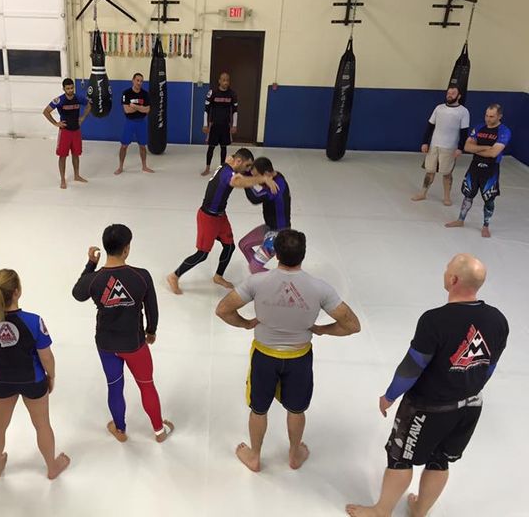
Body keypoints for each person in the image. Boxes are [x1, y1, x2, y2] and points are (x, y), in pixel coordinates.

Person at [346, 254, 508, 517]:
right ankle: (420, 509)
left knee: (400, 459)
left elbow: (412, 366)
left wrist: (389, 396)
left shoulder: (435, 320)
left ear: (453, 279)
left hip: (429, 407)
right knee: (440, 459)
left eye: (447, 268)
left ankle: (381, 511)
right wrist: (467, 388)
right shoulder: (498, 319)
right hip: (470, 407)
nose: (444, 271)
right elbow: (489, 366)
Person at [216, 229, 361, 472]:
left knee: (258, 409)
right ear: (303, 255)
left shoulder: (256, 282)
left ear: (276, 254)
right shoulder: (320, 288)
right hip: (299, 358)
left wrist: (245, 324)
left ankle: (254, 457)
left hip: (264, 356)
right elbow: (352, 325)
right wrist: (322, 330)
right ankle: (294, 455)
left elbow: (223, 309)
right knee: (296, 409)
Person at [72, 224, 173, 442]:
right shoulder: (141, 276)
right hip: (134, 344)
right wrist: (151, 331)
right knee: (146, 385)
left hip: (106, 344)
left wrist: (91, 264)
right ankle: (158, 431)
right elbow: (152, 309)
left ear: (106, 248)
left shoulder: (94, 280)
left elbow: (77, 293)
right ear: (126, 249)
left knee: (114, 386)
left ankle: (120, 429)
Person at [0, 269, 70, 480]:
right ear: (17, 292)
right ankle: (51, 467)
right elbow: (47, 358)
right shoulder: (34, 321)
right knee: (42, 424)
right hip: (33, 380)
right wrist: (51, 376)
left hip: (2, 381)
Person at [167, 148, 279, 295]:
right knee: (202, 254)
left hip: (220, 216)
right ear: (238, 161)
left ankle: (218, 276)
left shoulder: (231, 164)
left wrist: (269, 173)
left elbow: (241, 171)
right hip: (207, 217)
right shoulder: (228, 173)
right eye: (247, 166)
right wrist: (262, 179)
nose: (248, 170)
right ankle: (174, 276)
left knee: (229, 246)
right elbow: (237, 182)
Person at [445, 104, 511, 238]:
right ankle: (460, 220)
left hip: (491, 169)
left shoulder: (504, 131)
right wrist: (486, 147)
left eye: (491, 116)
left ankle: (486, 226)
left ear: (499, 116)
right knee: (468, 194)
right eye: (486, 115)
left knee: (489, 199)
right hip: (474, 166)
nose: (488, 119)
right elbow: (467, 147)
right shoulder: (479, 127)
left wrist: (478, 148)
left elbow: (494, 153)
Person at [411, 87, 470, 206]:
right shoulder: (439, 108)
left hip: (450, 147)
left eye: (453, 93)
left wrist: (460, 147)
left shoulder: (463, 111)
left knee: (447, 173)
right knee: (429, 171)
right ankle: (423, 193)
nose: (449, 95)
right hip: (434, 145)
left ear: (459, 96)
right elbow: (430, 126)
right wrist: (425, 142)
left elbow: (464, 131)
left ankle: (447, 197)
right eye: (448, 93)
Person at [239, 157, 291, 274]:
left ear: (267, 174)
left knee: (254, 268)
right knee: (243, 245)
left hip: (279, 234)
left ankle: (273, 280)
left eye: (258, 177)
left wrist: (245, 182)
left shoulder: (275, 188)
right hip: (269, 228)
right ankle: (260, 275)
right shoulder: (275, 175)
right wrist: (243, 169)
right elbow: (252, 174)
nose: (256, 180)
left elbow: (255, 198)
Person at [43, 78, 92, 189]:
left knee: (76, 154)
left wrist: (83, 117)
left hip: (76, 131)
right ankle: (62, 179)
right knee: (62, 156)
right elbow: (46, 111)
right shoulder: (59, 100)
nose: (70, 90)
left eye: (72, 88)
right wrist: (55, 123)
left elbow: (89, 105)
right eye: (68, 88)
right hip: (65, 131)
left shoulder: (78, 98)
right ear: (63, 89)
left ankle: (76, 175)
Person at [114, 73, 154, 175]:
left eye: (141, 81)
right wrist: (141, 108)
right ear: (133, 80)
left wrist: (134, 106)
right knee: (124, 146)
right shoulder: (126, 93)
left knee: (142, 146)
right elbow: (127, 110)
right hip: (130, 123)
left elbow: (147, 110)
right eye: (137, 80)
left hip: (141, 123)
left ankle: (144, 166)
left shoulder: (145, 94)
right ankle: (120, 167)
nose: (139, 83)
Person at [201, 72, 238, 176]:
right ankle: (207, 168)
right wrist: (205, 124)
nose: (226, 82)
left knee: (224, 147)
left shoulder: (232, 94)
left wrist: (234, 125)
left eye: (227, 80)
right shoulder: (212, 93)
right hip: (214, 125)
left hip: (225, 125)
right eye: (224, 80)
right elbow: (206, 110)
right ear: (219, 81)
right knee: (211, 147)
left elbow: (235, 111)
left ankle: (222, 168)